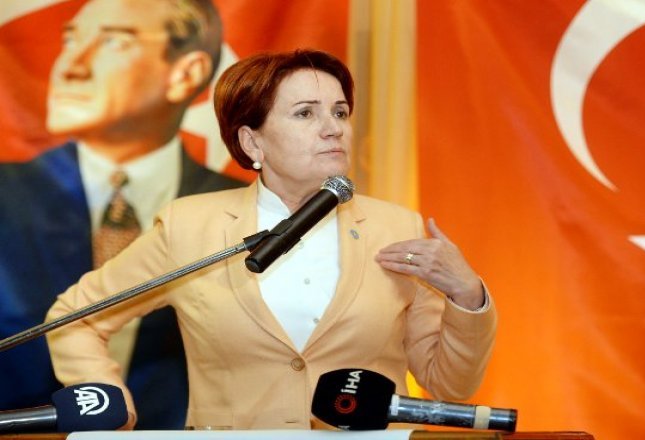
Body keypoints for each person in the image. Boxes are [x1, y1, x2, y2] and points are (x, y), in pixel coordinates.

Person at [45, 49, 497, 430]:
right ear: (252, 142)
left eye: (340, 112)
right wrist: (108, 409)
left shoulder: (396, 227)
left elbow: (450, 385)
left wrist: (467, 294)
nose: (334, 127)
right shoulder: (190, 227)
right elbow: (74, 318)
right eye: (305, 113)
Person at [0, 0, 242, 429]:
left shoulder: (246, 213)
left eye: (113, 41)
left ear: (186, 73)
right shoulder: (7, 195)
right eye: (70, 40)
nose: (69, 66)